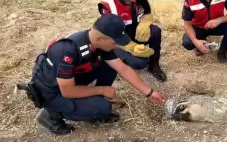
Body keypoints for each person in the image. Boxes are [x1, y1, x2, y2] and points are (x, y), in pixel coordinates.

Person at [29, 14, 167, 135]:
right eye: (115, 42)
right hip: (52, 93)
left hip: (69, 80)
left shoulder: (98, 43)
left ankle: (92, 105)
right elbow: (67, 91)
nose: (117, 46)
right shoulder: (67, 50)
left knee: (109, 67)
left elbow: (123, 68)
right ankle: (50, 114)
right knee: (104, 107)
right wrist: (101, 90)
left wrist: (149, 93)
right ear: (100, 38)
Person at [98, 0, 167, 82]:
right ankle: (116, 62)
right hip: (117, 41)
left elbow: (147, 12)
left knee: (155, 31)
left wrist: (145, 23)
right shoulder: (108, 5)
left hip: (133, 33)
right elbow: (111, 34)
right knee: (140, 63)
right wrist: (132, 47)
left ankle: (154, 66)